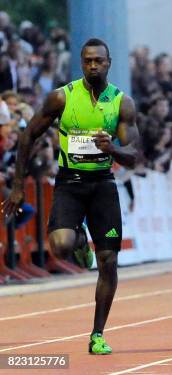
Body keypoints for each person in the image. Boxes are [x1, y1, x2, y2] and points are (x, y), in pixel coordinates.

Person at [3, 38, 140, 354]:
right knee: (61, 247)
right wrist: (20, 185)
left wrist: (113, 149)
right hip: (69, 183)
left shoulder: (122, 102)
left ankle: (97, 334)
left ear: (108, 63)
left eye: (99, 61)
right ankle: (79, 240)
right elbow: (27, 137)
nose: (94, 66)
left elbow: (134, 154)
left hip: (103, 185)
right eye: (88, 61)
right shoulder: (61, 98)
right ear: (82, 63)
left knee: (109, 261)